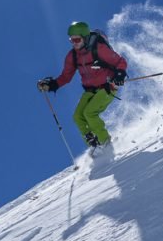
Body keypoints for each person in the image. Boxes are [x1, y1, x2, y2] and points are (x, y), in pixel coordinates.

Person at [37, 21, 128, 149]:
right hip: (90, 90)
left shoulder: (99, 48)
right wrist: (51, 85)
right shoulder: (73, 56)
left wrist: (119, 74)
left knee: (90, 113)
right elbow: (66, 76)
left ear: (85, 38)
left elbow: (120, 61)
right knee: (77, 116)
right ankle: (94, 145)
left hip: (108, 86)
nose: (74, 43)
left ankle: (106, 143)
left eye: (77, 40)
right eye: (71, 40)